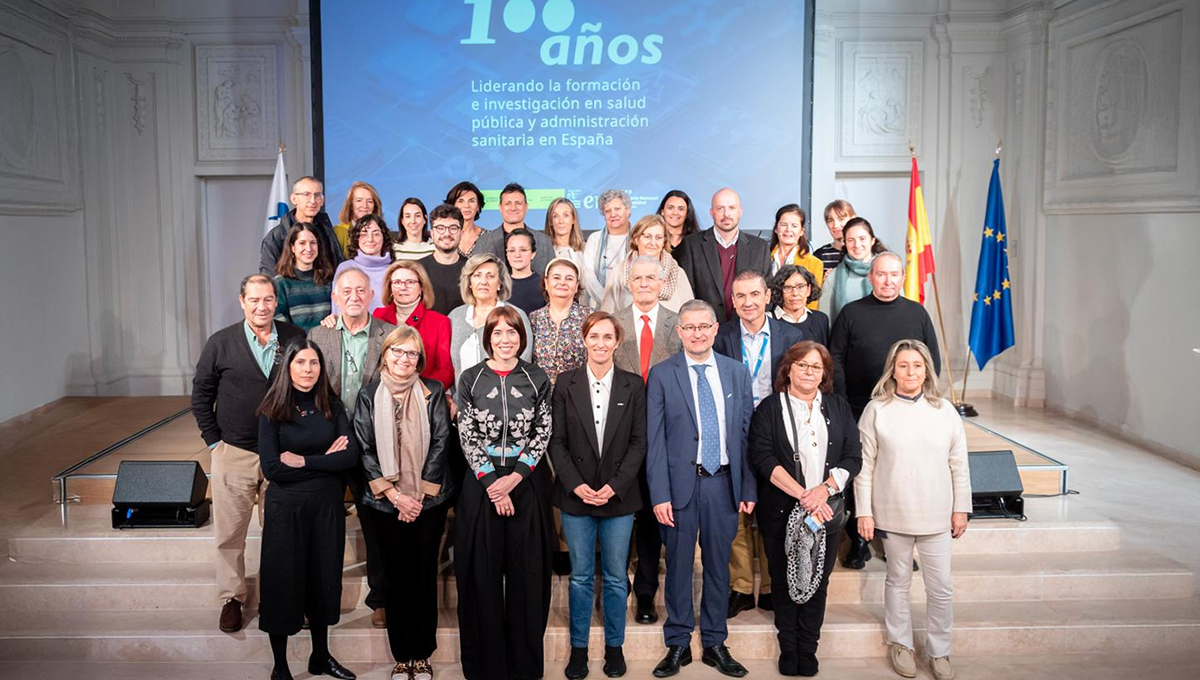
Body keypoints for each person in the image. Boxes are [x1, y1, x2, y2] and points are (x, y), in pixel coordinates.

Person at [646, 300, 756, 679]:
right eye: (689, 327)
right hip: (679, 487)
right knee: (677, 565)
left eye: (703, 326)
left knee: (718, 567)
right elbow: (655, 440)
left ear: (714, 329)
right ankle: (678, 641)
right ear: (679, 332)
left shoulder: (736, 373)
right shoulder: (662, 374)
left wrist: (748, 486)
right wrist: (659, 493)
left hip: (723, 483)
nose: (696, 333)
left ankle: (714, 642)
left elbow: (745, 435)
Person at [191, 274, 305, 634]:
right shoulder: (220, 343)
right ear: (242, 301)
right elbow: (200, 395)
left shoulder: (293, 338)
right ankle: (232, 598)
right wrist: (214, 442)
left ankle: (280, 596)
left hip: (282, 455)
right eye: (254, 300)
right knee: (230, 533)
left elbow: (307, 389)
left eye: (268, 299)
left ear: (276, 302)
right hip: (234, 453)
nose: (262, 306)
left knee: (281, 534)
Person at [856, 339, 970, 680]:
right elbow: (864, 466)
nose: (910, 372)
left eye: (917, 365)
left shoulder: (944, 410)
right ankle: (901, 643)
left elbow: (959, 464)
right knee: (898, 581)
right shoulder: (877, 410)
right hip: (892, 512)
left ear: (926, 370)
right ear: (893, 369)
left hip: (937, 513)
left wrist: (961, 507)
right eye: (903, 365)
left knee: (941, 586)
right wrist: (864, 511)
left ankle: (940, 651)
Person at [747, 341, 861, 677]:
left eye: (816, 366)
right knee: (782, 580)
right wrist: (803, 495)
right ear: (789, 369)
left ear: (825, 373)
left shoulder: (838, 407)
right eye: (802, 365)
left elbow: (853, 457)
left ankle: (808, 647)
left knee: (818, 581)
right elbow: (762, 457)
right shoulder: (770, 408)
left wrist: (823, 491)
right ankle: (789, 646)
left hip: (825, 512)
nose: (809, 371)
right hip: (781, 509)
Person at [455, 306, 554, 680]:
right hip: (481, 488)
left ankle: (525, 667)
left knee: (527, 577)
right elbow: (467, 434)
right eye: (497, 333)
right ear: (487, 339)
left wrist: (513, 480)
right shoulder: (470, 378)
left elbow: (542, 431)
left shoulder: (536, 378)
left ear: (522, 338)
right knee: (481, 576)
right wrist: (494, 487)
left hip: (526, 485)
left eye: (512, 332)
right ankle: (486, 667)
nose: (505, 339)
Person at [353, 326, 456, 680]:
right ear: (385, 354)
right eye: (397, 351)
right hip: (384, 504)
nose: (404, 359)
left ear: (420, 360)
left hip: (428, 502)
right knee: (395, 578)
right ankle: (401, 655)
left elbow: (442, 441)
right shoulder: (369, 396)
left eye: (411, 353)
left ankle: (422, 654)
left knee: (424, 576)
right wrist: (395, 496)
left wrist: (418, 496)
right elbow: (364, 449)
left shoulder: (433, 391)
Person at [829, 252, 941, 571]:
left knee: (897, 475)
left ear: (902, 278)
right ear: (871, 277)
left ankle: (894, 543)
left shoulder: (917, 313)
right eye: (881, 274)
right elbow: (835, 358)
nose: (887, 280)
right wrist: (842, 402)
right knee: (858, 475)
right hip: (857, 408)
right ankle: (858, 541)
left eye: (894, 275)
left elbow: (931, 361)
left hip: (905, 411)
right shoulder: (851, 313)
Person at [550, 311, 647, 680]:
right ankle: (578, 650)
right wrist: (575, 484)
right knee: (580, 576)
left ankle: (614, 648)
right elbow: (556, 442)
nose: (601, 343)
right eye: (594, 336)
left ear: (617, 342)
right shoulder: (566, 383)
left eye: (608, 337)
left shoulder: (633, 385)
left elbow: (639, 443)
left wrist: (615, 485)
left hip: (619, 496)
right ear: (584, 340)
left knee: (617, 577)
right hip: (576, 495)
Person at [255, 339, 359, 680]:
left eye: (314, 363)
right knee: (283, 581)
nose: (308, 370)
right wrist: (326, 460)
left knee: (323, 580)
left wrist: (305, 460)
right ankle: (281, 666)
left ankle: (321, 657)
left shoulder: (331, 404)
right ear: (288, 368)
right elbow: (272, 468)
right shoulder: (273, 409)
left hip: (326, 507)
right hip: (286, 509)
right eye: (301, 363)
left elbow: (349, 456)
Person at [309, 266, 396, 627]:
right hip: (329, 444)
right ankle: (317, 598)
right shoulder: (318, 334)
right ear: (335, 297)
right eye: (346, 292)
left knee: (377, 526)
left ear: (372, 295)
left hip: (372, 444)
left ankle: (381, 598)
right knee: (323, 527)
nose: (354, 297)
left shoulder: (390, 335)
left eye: (361, 291)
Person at [713, 271, 804, 618]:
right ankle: (738, 586)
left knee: (773, 509)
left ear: (768, 296)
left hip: (776, 432)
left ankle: (769, 586)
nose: (748, 302)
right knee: (734, 510)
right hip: (730, 430)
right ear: (732, 301)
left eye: (754, 294)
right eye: (740, 296)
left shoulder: (791, 336)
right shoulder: (720, 337)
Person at [612, 255, 682, 625]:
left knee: (654, 521)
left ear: (661, 283)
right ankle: (615, 584)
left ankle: (645, 593)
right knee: (621, 514)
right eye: (637, 278)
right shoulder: (614, 323)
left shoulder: (678, 324)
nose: (643, 284)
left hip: (664, 438)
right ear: (628, 283)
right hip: (619, 440)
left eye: (650, 278)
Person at [674, 188, 771, 322]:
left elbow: (766, 293)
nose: (726, 214)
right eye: (720, 208)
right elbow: (686, 293)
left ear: (740, 211)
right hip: (704, 330)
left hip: (746, 328)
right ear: (711, 212)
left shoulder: (759, 247)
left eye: (732, 208)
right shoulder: (691, 245)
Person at [447, 253, 534, 382]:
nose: (483, 282)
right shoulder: (455, 317)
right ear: (470, 282)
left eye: (490, 276)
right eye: (477, 276)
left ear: (500, 284)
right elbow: (447, 365)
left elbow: (524, 361)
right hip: (461, 400)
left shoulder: (516, 315)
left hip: (506, 398)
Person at [373, 260, 454, 392]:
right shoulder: (378, 315)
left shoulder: (440, 322)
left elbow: (445, 371)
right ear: (390, 288)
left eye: (410, 282)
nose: (403, 287)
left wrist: (421, 391)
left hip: (423, 395)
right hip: (383, 391)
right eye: (397, 282)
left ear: (422, 287)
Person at [600, 214, 693, 314]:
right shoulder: (620, 271)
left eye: (658, 238)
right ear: (636, 239)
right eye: (647, 237)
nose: (653, 243)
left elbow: (690, 312)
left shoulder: (678, 273)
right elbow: (607, 312)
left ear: (664, 242)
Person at [260, 176, 344, 275]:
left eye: (317, 195)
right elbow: (269, 276)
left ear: (322, 200)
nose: (312, 201)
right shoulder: (276, 236)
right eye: (306, 194)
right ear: (294, 199)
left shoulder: (327, 232)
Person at [529, 258, 592, 386]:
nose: (562, 282)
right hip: (542, 394)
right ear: (546, 283)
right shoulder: (534, 318)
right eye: (556, 278)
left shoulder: (589, 317)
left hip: (578, 393)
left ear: (576, 286)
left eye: (569, 279)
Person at [475, 183, 556, 275]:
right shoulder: (484, 242)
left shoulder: (544, 241)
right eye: (508, 203)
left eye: (518, 203)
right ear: (500, 208)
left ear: (526, 207)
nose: (513, 208)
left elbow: (552, 276)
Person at [273, 222, 334, 331]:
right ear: (292, 247)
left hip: (327, 344)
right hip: (295, 345)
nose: (309, 248)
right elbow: (280, 324)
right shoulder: (280, 283)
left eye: (313, 243)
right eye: (302, 243)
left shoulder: (329, 279)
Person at [332, 214, 396, 314]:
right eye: (364, 234)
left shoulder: (395, 270)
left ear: (384, 238)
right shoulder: (345, 268)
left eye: (376, 234)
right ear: (357, 238)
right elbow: (337, 308)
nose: (370, 239)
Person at [825, 217, 885, 322]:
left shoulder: (888, 272)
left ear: (872, 240)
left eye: (862, 239)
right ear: (845, 243)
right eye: (851, 240)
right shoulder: (833, 277)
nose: (857, 245)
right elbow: (825, 319)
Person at [768, 204, 824, 310]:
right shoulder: (763, 257)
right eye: (783, 224)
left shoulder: (815, 264)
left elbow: (812, 303)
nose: (788, 230)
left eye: (794, 226)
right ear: (776, 228)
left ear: (801, 231)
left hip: (797, 321)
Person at [582, 189, 632, 304]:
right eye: (608, 211)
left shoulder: (638, 238)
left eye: (617, 209)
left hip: (631, 305)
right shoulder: (595, 238)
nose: (613, 214)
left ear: (627, 210)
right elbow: (588, 274)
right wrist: (606, 301)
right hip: (599, 304)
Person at [424, 204, 468, 315]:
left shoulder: (473, 269)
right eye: (440, 228)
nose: (447, 233)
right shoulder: (418, 269)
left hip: (464, 331)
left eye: (453, 228)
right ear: (432, 234)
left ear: (461, 233)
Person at [769, 265, 830, 346]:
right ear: (779, 291)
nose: (795, 293)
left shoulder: (821, 319)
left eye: (800, 287)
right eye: (788, 287)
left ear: (808, 290)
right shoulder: (768, 320)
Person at [544, 197, 588, 299]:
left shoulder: (586, 249)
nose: (561, 221)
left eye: (566, 215)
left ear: (573, 219)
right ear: (550, 221)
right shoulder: (543, 250)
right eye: (555, 216)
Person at [334, 181, 384, 258]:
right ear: (350, 204)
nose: (364, 205)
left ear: (375, 206)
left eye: (370, 201)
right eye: (359, 200)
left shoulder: (382, 233)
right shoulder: (338, 232)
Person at [505, 227, 546, 314]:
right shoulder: (500, 285)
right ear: (507, 254)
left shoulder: (545, 284)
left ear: (533, 254)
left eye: (523, 250)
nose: (517, 255)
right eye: (512, 250)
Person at [812, 200, 855, 276]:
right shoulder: (819, 255)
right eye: (830, 220)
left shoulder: (860, 251)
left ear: (853, 219)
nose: (835, 225)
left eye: (841, 219)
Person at [446, 181, 486, 258]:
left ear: (478, 206)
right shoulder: (444, 236)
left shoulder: (488, 237)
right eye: (460, 201)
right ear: (452, 205)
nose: (466, 205)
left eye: (471, 201)